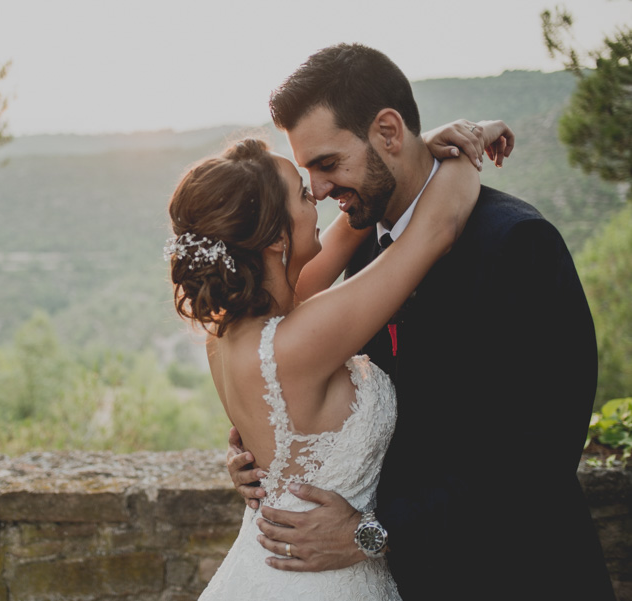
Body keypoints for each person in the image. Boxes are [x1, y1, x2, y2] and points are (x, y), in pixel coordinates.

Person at [226, 43, 616, 601]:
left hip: (517, 575)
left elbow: (539, 454)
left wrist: (374, 533)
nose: (316, 188)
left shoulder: (517, 244)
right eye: (307, 171)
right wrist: (265, 453)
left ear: (388, 131)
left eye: (327, 164)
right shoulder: (362, 253)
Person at [166, 109, 510, 598]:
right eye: (304, 195)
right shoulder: (298, 341)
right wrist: (470, 140)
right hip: (323, 581)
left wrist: (413, 151)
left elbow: (351, 226)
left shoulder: (231, 330)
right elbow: (438, 227)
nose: (321, 198)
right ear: (277, 236)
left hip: (267, 568)